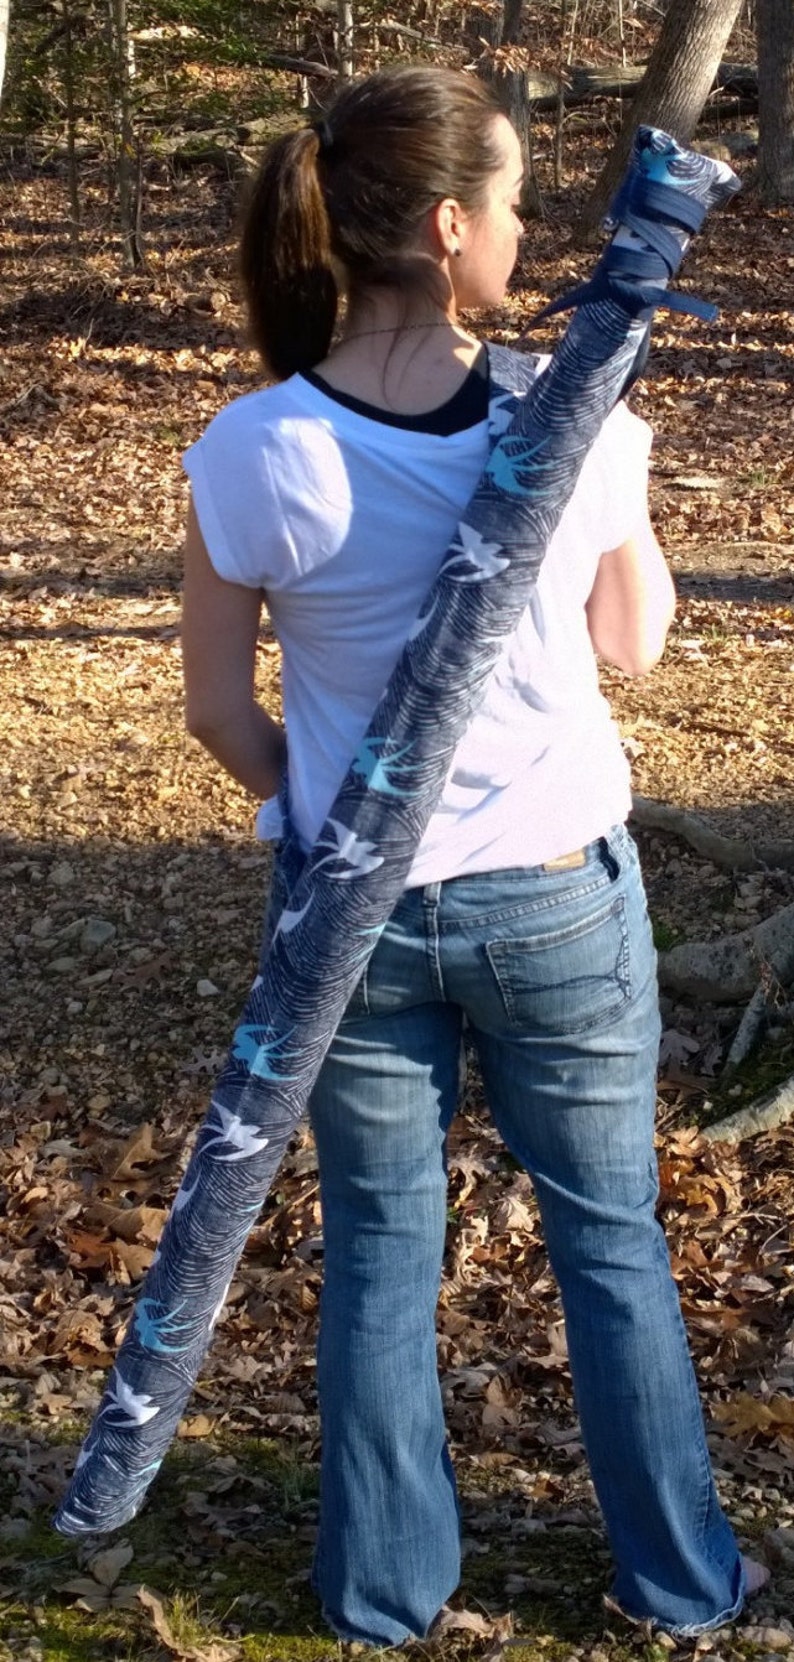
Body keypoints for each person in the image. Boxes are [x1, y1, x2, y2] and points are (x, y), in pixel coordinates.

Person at [179, 66, 766, 1649]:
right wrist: (621, 488)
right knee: (611, 1236)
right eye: (511, 204)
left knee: (380, 1242)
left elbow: (218, 710)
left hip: (348, 919)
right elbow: (633, 647)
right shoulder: (574, 419)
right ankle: (678, 1577)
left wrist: (331, 817)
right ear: (448, 229)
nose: (525, 233)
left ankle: (382, 1590)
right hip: (557, 898)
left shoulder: (250, 445)